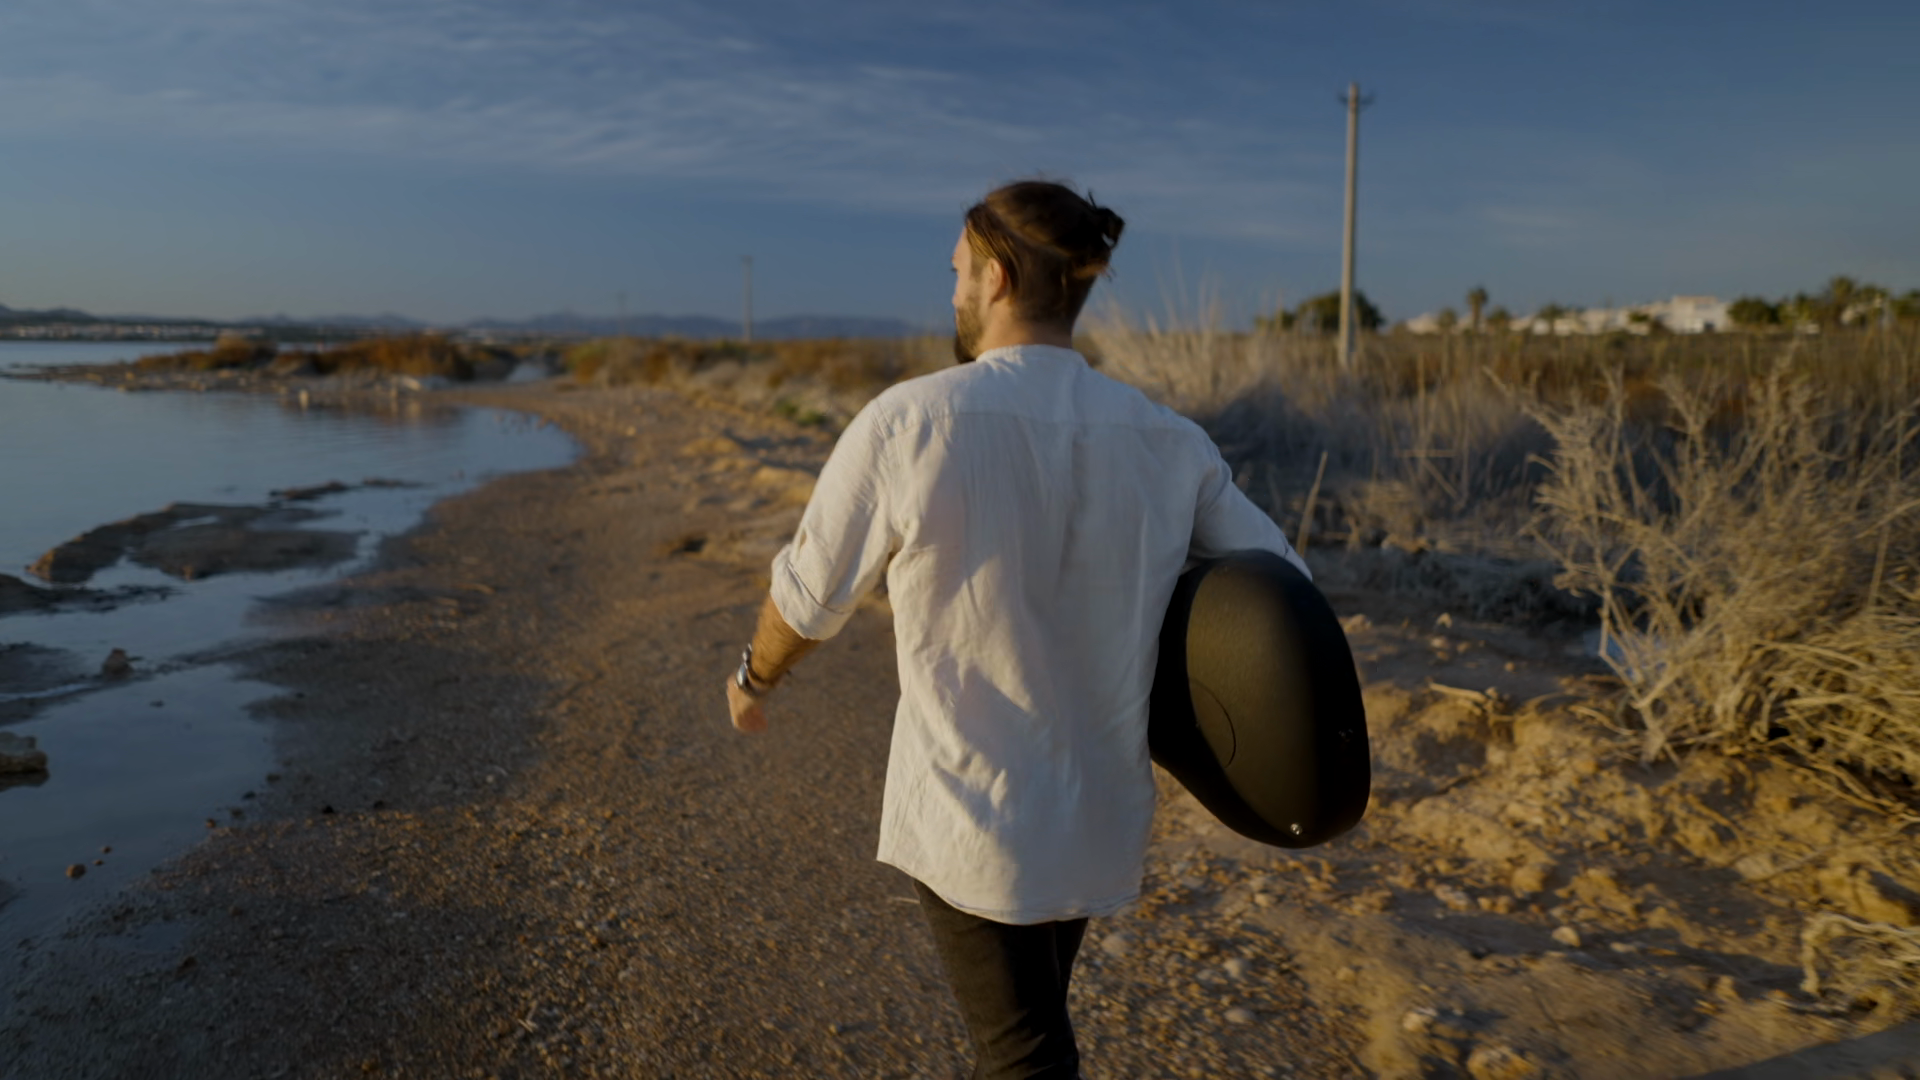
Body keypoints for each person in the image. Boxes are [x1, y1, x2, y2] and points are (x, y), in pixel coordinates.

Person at [723, 179, 1308, 1080]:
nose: (954, 290)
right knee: (1027, 1026)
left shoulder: (908, 422)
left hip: (976, 818)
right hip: (1099, 816)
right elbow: (1283, 586)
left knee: (1023, 1054)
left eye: (958, 271)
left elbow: (806, 599)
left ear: (996, 277)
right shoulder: (1168, 440)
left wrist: (752, 679)